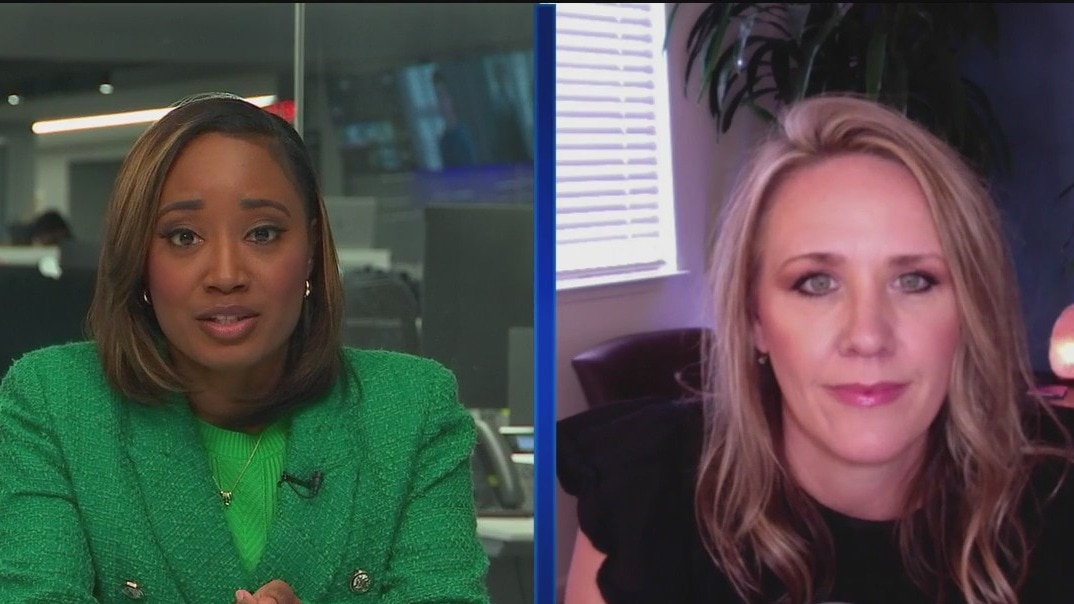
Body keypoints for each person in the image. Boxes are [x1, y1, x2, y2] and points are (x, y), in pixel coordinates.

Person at [558, 94, 1074, 603]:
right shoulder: (647, 499)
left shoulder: (1055, 502)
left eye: (915, 280)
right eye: (816, 283)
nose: (867, 337)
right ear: (755, 319)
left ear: (970, 312)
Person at [0, 93, 491, 603]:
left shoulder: (411, 410)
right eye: (184, 237)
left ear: (311, 250)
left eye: (263, 233)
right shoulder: (55, 404)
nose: (226, 274)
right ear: (139, 257)